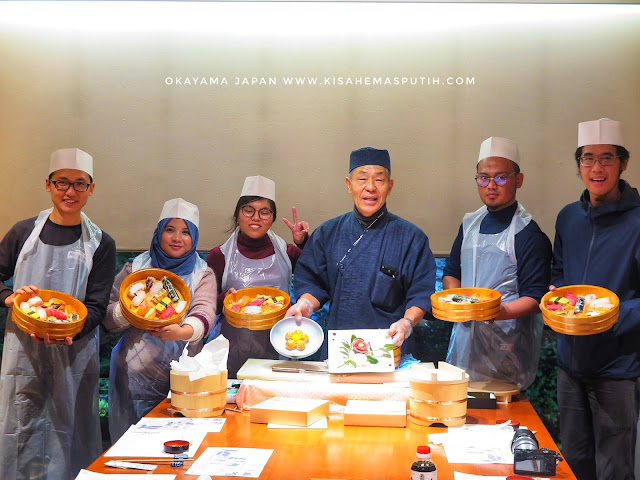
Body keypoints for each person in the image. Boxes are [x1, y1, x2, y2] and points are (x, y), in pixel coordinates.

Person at [0, 148, 116, 479]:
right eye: (62, 182)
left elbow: (96, 306)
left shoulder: (101, 243)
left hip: (74, 353)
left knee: (69, 430)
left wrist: (70, 331)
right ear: (48, 185)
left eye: (80, 184)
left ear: (91, 189)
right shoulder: (23, 232)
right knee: (21, 424)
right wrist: (9, 298)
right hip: (23, 351)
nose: (70, 191)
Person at [550, 118, 640, 480]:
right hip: (569, 366)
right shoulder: (568, 218)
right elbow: (559, 272)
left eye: (607, 158)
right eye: (588, 158)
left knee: (614, 469)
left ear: (623, 163)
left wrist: (607, 317)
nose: (596, 168)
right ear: (579, 165)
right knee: (573, 465)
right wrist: (557, 297)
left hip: (616, 369)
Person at [288, 147, 436, 358]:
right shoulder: (328, 233)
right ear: (349, 185)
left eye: (379, 180)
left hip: (389, 347)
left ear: (390, 186)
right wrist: (305, 304)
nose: (370, 187)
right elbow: (313, 281)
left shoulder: (412, 237)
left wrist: (406, 322)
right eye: (362, 179)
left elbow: (421, 293)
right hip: (340, 349)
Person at [443, 137, 551, 390]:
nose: (491, 185)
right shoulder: (469, 225)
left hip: (506, 343)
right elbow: (451, 272)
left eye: (501, 178)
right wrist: (458, 301)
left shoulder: (528, 234)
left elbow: (536, 297)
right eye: (483, 178)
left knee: (503, 406)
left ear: (518, 180)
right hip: (465, 338)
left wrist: (496, 312)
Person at [104, 198, 216, 442]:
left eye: (185, 232)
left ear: (194, 237)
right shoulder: (135, 268)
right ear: (159, 232)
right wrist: (131, 313)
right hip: (132, 377)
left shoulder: (203, 273)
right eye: (170, 229)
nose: (177, 238)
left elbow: (205, 311)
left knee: (181, 444)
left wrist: (182, 332)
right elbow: (108, 316)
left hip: (184, 375)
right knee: (132, 446)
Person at [206, 175, 309, 378]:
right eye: (248, 210)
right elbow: (204, 304)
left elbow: (316, 273)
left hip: (280, 344)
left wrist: (303, 243)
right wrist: (224, 300)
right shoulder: (219, 255)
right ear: (238, 214)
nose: (256, 218)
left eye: (264, 212)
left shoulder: (288, 252)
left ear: (272, 218)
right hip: (233, 348)